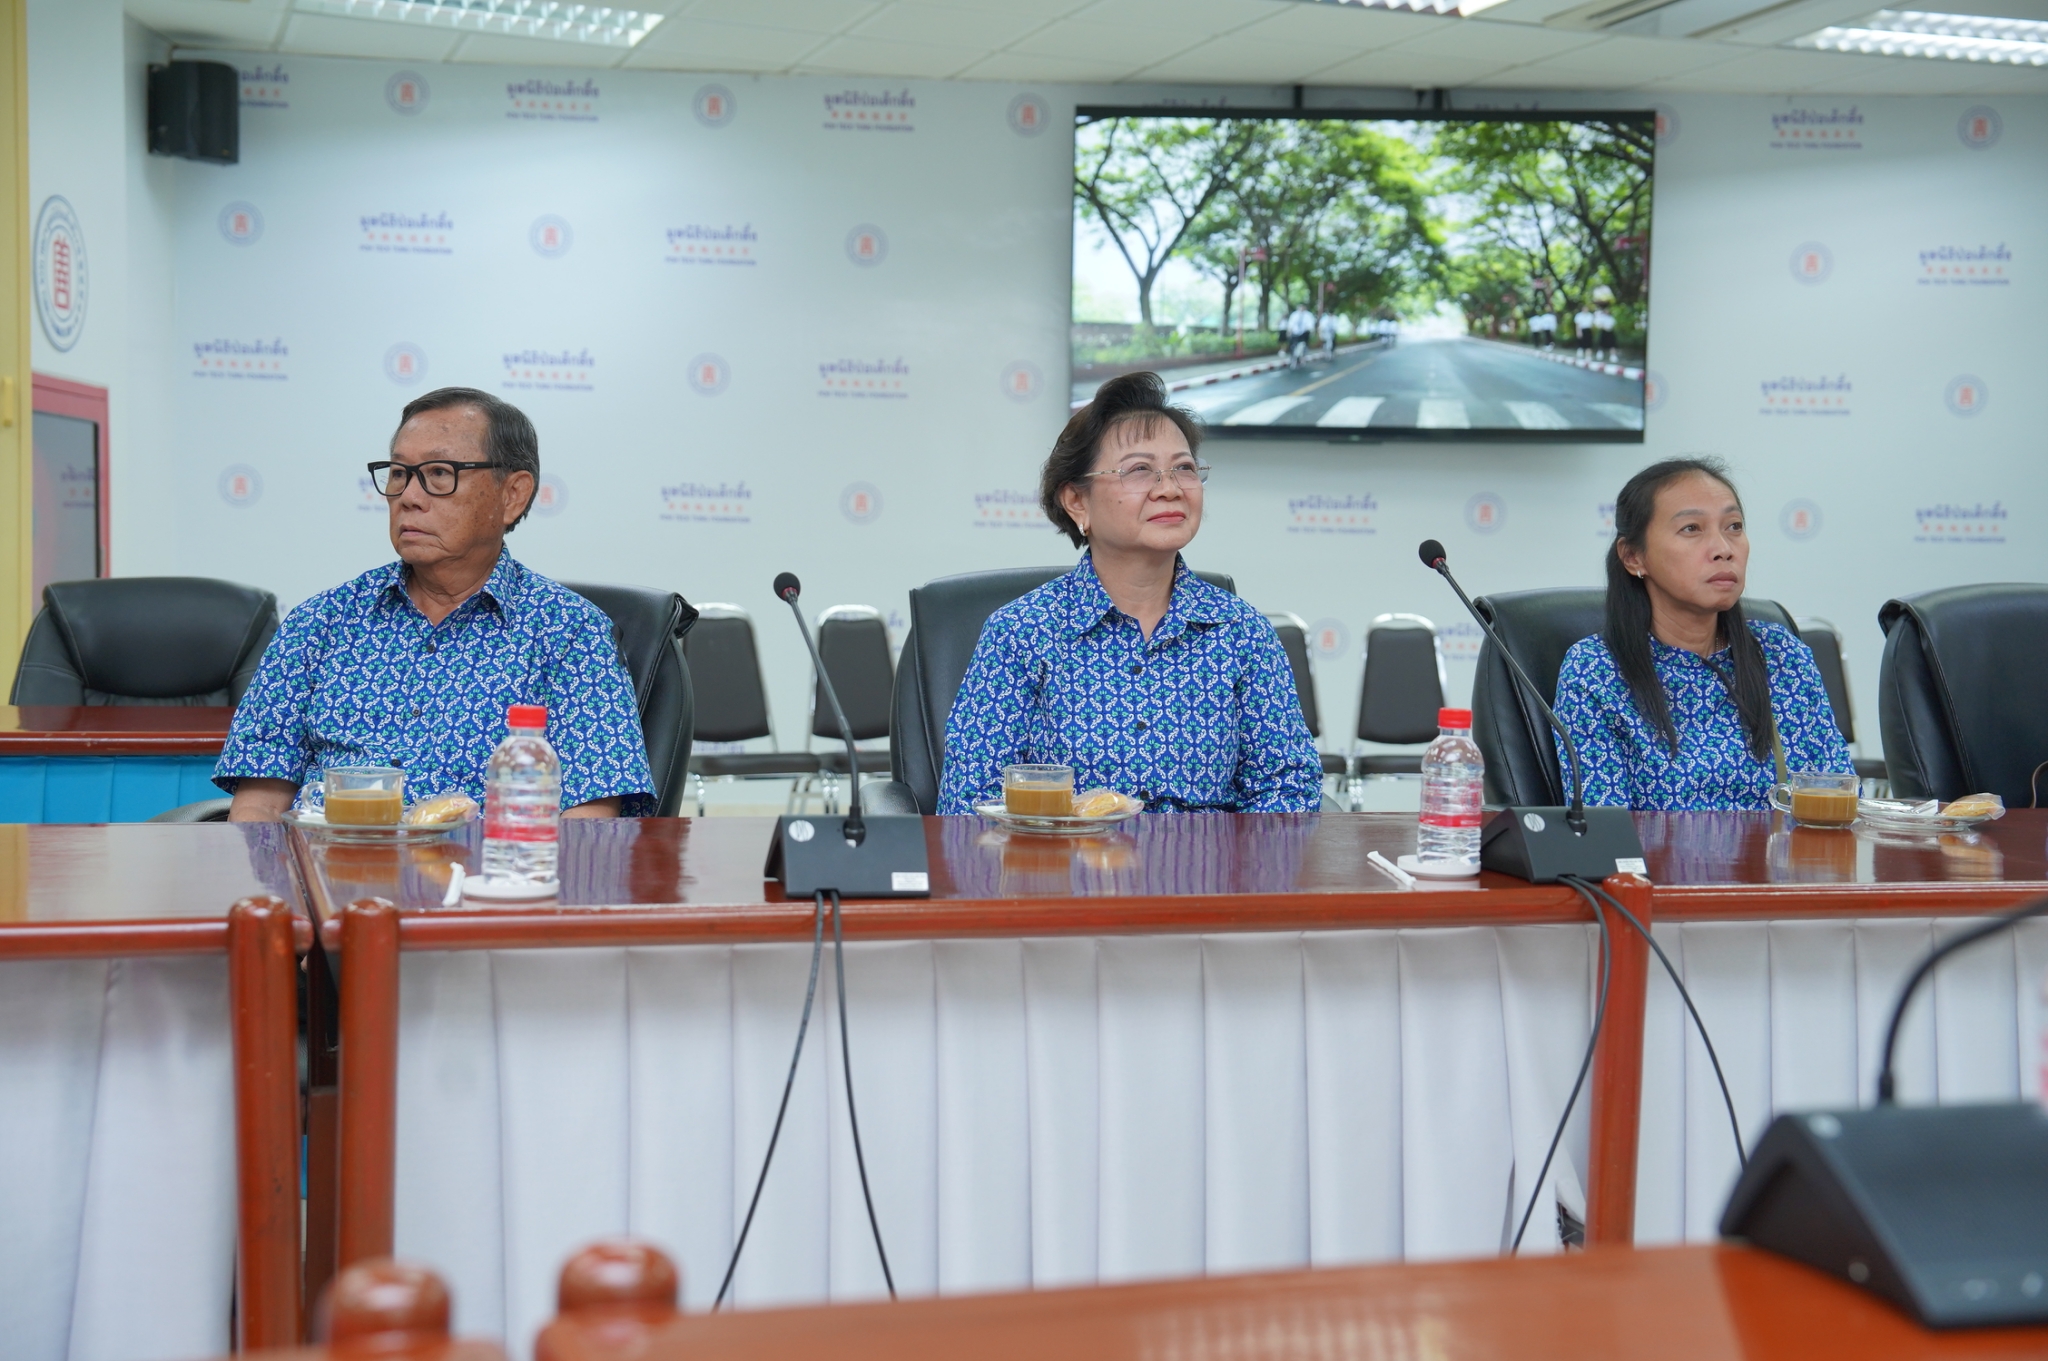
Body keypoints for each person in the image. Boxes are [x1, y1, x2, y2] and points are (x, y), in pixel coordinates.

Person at [216, 387, 654, 820]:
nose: (409, 496)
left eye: (440, 473)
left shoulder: (570, 633)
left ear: (512, 494)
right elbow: (260, 804)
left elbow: (590, 818)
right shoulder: (319, 622)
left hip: (489, 865)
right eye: (399, 473)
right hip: (327, 861)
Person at [937, 372, 1322, 815]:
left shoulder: (1241, 631)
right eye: (1140, 470)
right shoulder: (1022, 633)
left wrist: (1225, 855)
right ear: (1076, 501)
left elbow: (1289, 789)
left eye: (1184, 468)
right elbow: (969, 804)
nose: (1170, 489)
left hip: (1211, 859)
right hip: (1065, 858)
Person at [1552, 457, 1850, 811]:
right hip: (1652, 853)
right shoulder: (1596, 670)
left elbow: (1837, 801)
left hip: (1786, 850)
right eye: (1691, 529)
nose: (1724, 549)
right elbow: (1606, 828)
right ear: (1633, 557)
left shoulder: (1780, 654)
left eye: (1734, 526)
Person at [1285, 302, 1315, 367]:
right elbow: (1291, 324)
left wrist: (1310, 331)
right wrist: (1289, 331)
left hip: (1304, 333)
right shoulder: (1294, 315)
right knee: (1293, 347)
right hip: (1295, 333)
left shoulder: (1308, 315)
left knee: (1302, 346)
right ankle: (1293, 359)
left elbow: (1310, 325)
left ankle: (1302, 358)